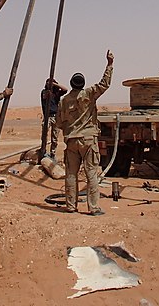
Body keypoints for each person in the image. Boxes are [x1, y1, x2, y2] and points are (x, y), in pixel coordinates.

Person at [56, 50, 114, 216]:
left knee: (71, 175)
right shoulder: (89, 94)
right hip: (88, 140)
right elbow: (104, 84)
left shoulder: (64, 100)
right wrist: (109, 64)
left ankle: (71, 206)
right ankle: (93, 207)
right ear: (82, 84)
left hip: (72, 141)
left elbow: (59, 122)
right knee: (91, 174)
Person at [41, 78, 68, 159]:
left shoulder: (57, 93)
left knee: (55, 137)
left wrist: (55, 85)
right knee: (44, 135)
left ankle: (53, 154)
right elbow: (45, 97)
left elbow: (65, 89)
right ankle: (43, 152)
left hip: (55, 116)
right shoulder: (44, 92)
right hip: (47, 117)